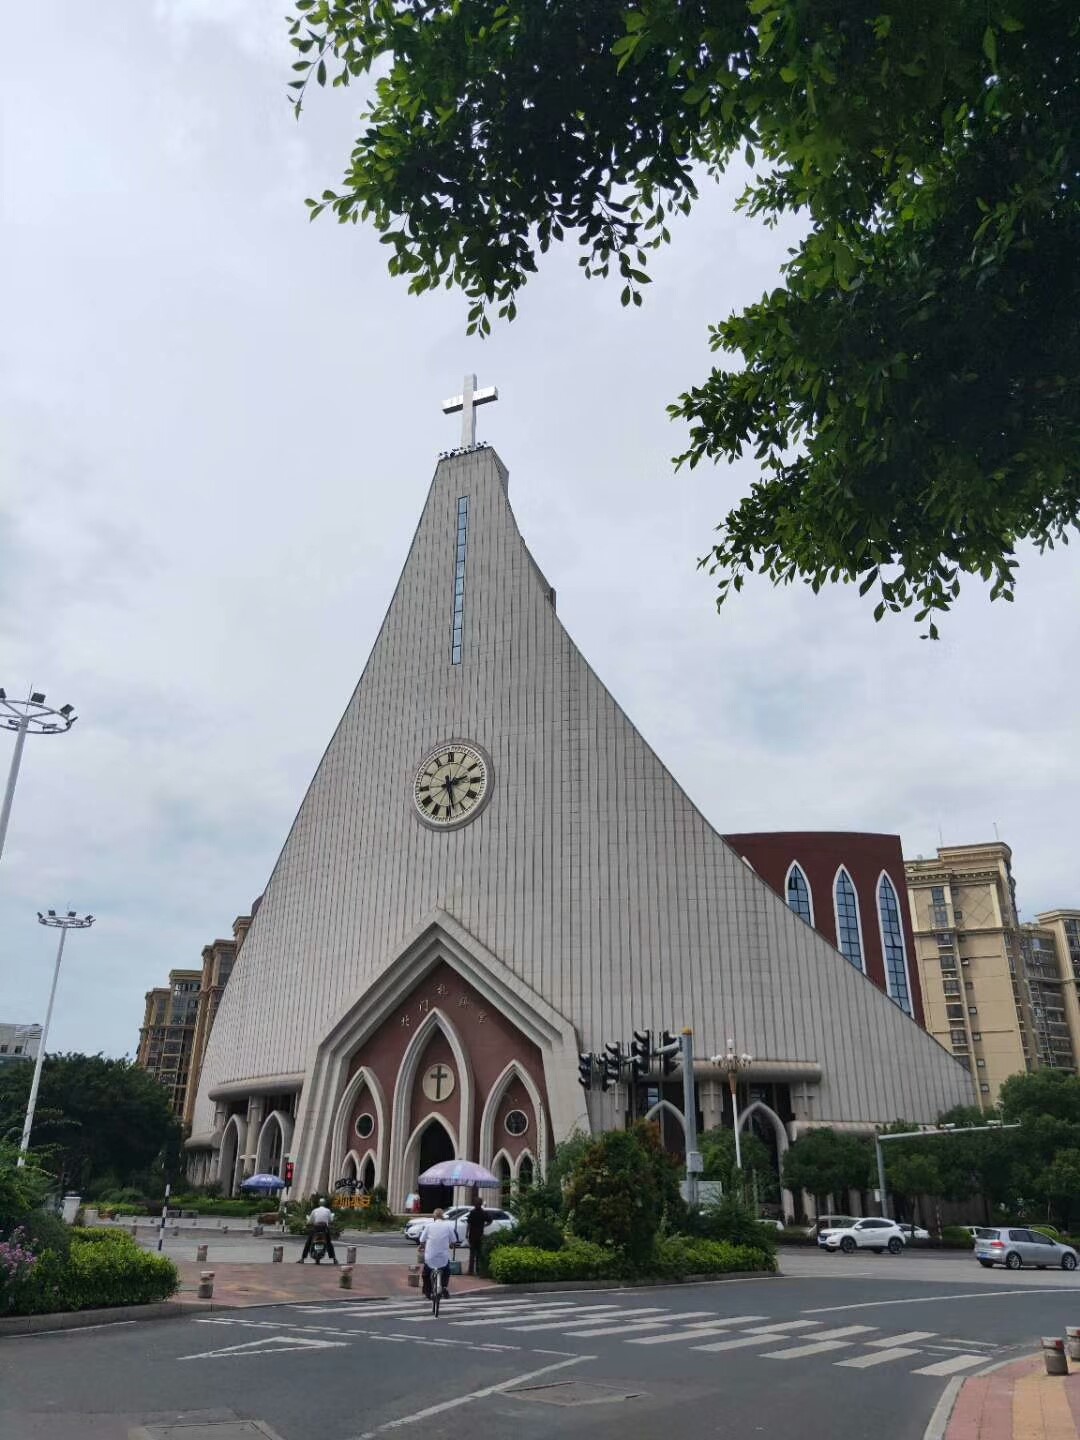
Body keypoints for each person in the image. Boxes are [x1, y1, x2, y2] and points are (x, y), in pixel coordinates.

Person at [417, 1206, 456, 1300]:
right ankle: (444, 1287)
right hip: (443, 1258)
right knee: (446, 1270)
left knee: (426, 1274)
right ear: (443, 1217)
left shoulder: (429, 1226)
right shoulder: (448, 1226)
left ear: (434, 1217)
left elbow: (422, 1240)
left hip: (431, 1257)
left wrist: (422, 1246)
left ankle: (427, 1291)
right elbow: (454, 1240)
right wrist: (450, 1245)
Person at [297, 1198, 338, 1263]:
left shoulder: (315, 1210)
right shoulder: (328, 1210)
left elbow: (310, 1221)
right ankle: (334, 1259)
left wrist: (307, 1223)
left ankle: (302, 1258)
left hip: (316, 1228)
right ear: (325, 1204)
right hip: (324, 1229)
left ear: (319, 1203)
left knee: (308, 1242)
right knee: (329, 1243)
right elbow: (330, 1220)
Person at [464, 1197, 490, 1275]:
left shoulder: (472, 1212)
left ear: (475, 1204)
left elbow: (469, 1224)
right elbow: (490, 1220)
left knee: (472, 1254)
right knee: (479, 1253)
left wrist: (466, 1233)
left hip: (472, 1235)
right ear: (481, 1204)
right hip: (480, 1235)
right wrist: (484, 1225)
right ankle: (479, 1270)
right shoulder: (483, 1212)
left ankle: (470, 1271)